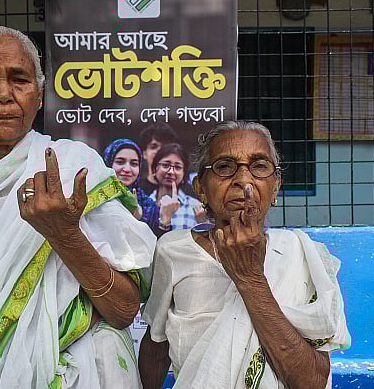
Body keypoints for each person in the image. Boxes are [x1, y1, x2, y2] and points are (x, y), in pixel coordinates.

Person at [0, 26, 156, 389]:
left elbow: (123, 310)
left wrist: (64, 235)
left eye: (19, 80)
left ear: (39, 95)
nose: (4, 94)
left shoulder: (76, 170)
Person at [139, 121, 350, 389]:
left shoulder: (300, 255)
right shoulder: (173, 250)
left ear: (275, 187)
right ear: (201, 188)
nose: (243, 180)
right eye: (224, 167)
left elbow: (311, 382)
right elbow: (155, 348)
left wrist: (250, 278)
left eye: (259, 167)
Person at [102, 138, 178, 237]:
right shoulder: (95, 198)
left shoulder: (148, 206)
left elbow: (158, 246)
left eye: (134, 164)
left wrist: (164, 220)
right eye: (120, 162)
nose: (127, 169)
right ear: (108, 163)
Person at [149, 143, 207, 230]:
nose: (171, 172)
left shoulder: (196, 207)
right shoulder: (145, 204)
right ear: (154, 169)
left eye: (177, 167)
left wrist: (203, 223)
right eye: (165, 165)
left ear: (184, 175)